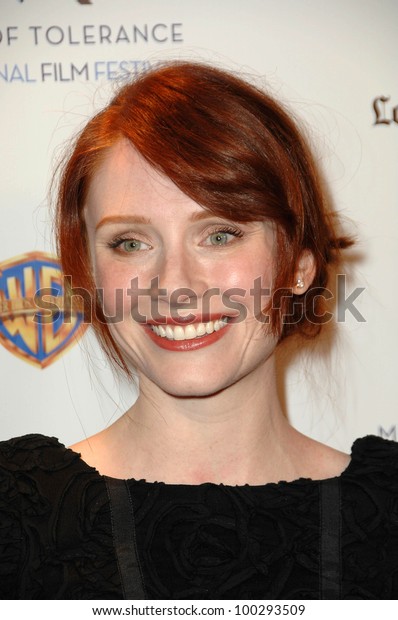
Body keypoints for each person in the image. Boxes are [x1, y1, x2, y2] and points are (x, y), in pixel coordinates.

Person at [1, 61, 397, 600]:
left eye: (220, 234)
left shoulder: (389, 509)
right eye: (130, 243)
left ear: (301, 265)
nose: (175, 286)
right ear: (89, 275)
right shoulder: (14, 511)